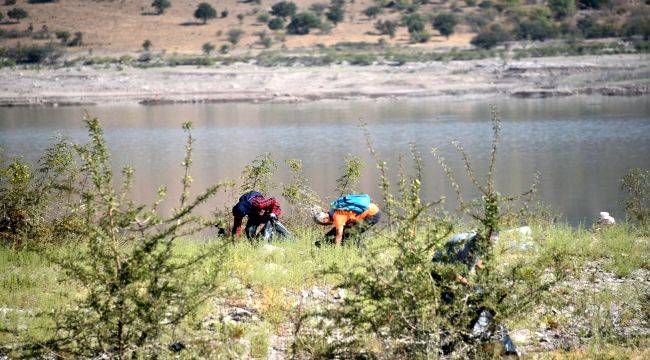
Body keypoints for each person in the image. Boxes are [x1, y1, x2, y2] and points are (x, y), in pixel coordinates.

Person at [432, 231, 518, 356]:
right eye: (488, 243)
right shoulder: (461, 245)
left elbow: (476, 262)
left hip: (460, 271)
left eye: (491, 244)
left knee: (483, 302)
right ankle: (445, 350)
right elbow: (450, 273)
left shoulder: (483, 245)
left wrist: (492, 280)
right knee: (450, 307)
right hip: (441, 272)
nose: (489, 246)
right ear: (480, 238)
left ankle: (504, 351)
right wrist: (471, 285)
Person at [313, 194, 381, 246]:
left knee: (352, 234)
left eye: (324, 224)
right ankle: (322, 243)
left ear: (325, 220)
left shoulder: (337, 217)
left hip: (373, 215)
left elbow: (339, 235)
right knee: (347, 231)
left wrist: (335, 251)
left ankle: (358, 251)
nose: (326, 225)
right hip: (370, 207)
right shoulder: (333, 209)